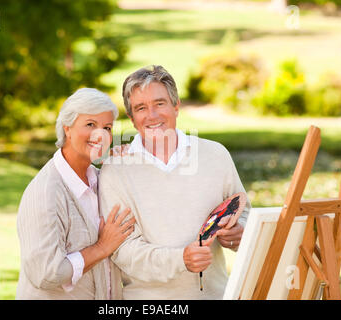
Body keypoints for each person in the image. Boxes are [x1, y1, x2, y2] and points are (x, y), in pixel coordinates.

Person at [99, 65, 251, 299]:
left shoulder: (216, 155)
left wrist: (239, 234)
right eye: (141, 108)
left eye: (160, 103)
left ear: (176, 106)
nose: (152, 115)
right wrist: (181, 259)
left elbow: (244, 212)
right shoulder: (115, 171)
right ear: (131, 118)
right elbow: (123, 250)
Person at [16, 88, 135, 300]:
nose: (100, 135)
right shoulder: (46, 193)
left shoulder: (102, 180)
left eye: (107, 127)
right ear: (67, 128)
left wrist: (123, 168)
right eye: (90, 124)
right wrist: (101, 247)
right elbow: (45, 273)